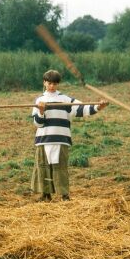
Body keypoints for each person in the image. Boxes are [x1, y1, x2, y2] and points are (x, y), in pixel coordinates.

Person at [31, 69, 108, 202]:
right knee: (43, 167)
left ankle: (64, 195)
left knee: (60, 167)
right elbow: (37, 123)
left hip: (61, 139)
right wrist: (41, 111)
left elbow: (82, 109)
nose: (52, 86)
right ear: (44, 83)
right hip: (43, 139)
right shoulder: (39, 101)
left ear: (58, 84)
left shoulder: (65, 100)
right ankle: (46, 194)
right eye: (49, 83)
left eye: (55, 83)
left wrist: (98, 107)